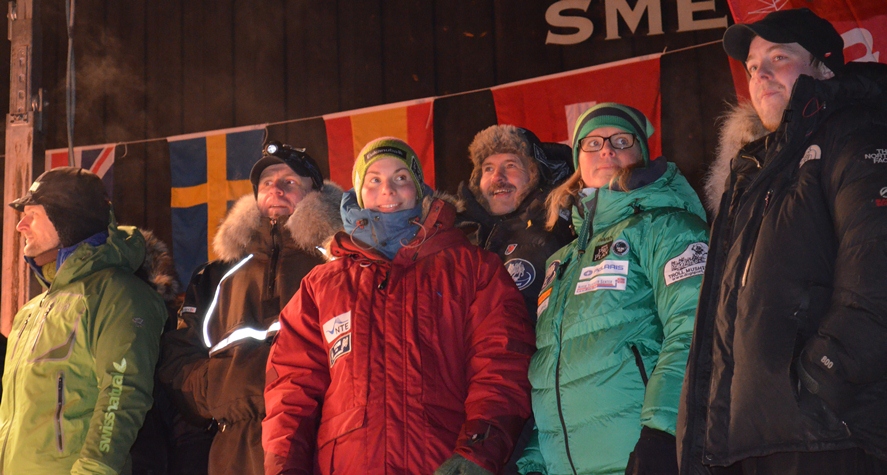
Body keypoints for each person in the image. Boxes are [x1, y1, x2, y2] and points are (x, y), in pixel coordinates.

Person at [677, 8, 887, 475]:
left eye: (778, 58)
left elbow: (878, 270)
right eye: (753, 67)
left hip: (829, 436)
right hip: (751, 443)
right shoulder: (752, 173)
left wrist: (823, 375)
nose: (761, 75)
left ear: (824, 68)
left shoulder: (859, 134)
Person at [263, 137, 535, 475]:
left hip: (443, 463)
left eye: (401, 177)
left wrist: (479, 452)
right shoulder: (322, 285)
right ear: (359, 192)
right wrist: (284, 468)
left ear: (419, 189)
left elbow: (502, 364)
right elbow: (291, 389)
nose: (388, 190)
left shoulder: (474, 268)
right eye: (374, 179)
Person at [517, 103, 708, 475]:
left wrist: (664, 432)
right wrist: (533, 462)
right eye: (592, 143)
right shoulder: (560, 261)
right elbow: (552, 371)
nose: (606, 150)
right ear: (578, 161)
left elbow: (696, 328)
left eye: (621, 140)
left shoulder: (668, 227)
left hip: (644, 457)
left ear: (641, 155)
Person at [159, 142, 343, 475]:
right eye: (267, 182)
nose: (276, 189)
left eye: (289, 182)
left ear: (315, 196)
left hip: (318, 441)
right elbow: (177, 358)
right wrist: (221, 392)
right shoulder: (216, 276)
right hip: (233, 450)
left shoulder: (337, 267)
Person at [0, 167, 168, 474]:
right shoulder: (30, 311)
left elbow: (122, 393)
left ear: (68, 219)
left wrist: (94, 469)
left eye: (32, 215)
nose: (20, 226)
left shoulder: (118, 294)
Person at [458, 124, 574, 321]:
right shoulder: (457, 240)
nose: (497, 177)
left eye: (511, 165)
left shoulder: (563, 232)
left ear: (534, 173)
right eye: (488, 168)